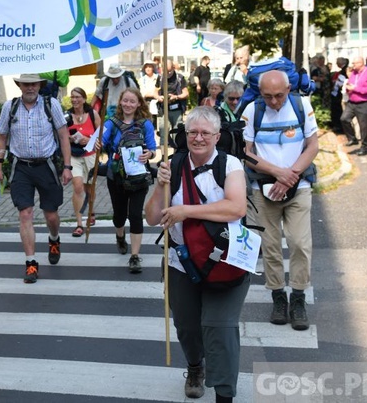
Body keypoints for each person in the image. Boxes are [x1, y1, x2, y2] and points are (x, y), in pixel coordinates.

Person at [144, 106, 249, 403]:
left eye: (205, 133)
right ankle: (194, 367)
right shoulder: (173, 166)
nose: (198, 138)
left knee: (220, 327)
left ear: (217, 136)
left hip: (225, 260)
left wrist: (185, 211)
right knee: (187, 327)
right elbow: (153, 217)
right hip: (182, 262)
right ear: (185, 135)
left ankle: (225, 394)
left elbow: (236, 207)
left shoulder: (230, 165)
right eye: (192, 132)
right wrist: (160, 184)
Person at [241, 70, 318, 331]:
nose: (274, 102)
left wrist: (291, 175)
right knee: (270, 246)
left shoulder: (300, 105)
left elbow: (313, 145)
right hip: (263, 189)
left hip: (299, 186)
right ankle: (278, 297)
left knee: (299, 243)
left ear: (288, 90)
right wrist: (277, 173)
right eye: (268, 97)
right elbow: (246, 152)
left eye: (279, 96)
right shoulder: (253, 110)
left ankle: (298, 297)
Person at [0, 74, 73, 283]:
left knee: (51, 215)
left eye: (33, 84)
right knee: (25, 213)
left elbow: (63, 135)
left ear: (39, 85)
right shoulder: (9, 107)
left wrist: (67, 166)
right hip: (21, 167)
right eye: (26, 84)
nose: (30, 88)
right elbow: (2, 138)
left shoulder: (51, 104)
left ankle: (54, 239)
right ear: (19, 86)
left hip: (46, 165)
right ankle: (31, 263)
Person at [100, 88, 156, 272]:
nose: (128, 104)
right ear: (120, 102)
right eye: (125, 101)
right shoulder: (111, 123)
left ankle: (134, 256)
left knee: (135, 214)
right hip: (116, 177)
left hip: (139, 177)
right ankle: (120, 236)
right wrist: (98, 143)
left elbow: (153, 148)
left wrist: (149, 154)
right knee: (119, 215)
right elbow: (101, 141)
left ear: (139, 103)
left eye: (132, 101)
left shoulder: (145, 124)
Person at [66, 87, 100, 237]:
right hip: (74, 155)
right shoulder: (66, 116)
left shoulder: (92, 114)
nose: (74, 100)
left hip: (90, 154)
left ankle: (91, 210)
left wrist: (89, 140)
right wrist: (70, 138)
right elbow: (61, 135)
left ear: (84, 99)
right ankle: (79, 223)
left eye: (78, 97)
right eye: (72, 97)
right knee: (78, 186)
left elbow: (102, 133)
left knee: (89, 188)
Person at [341, 55, 367, 156]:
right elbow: (350, 83)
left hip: (364, 103)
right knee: (344, 119)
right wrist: (348, 87)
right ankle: (352, 139)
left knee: (364, 127)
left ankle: (364, 146)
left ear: (360, 63)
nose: (352, 65)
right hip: (352, 102)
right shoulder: (354, 73)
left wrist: (355, 88)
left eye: (354, 63)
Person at [154, 59, 188, 140]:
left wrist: (176, 97)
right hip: (163, 109)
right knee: (163, 133)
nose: (168, 73)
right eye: (166, 71)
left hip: (176, 109)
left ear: (173, 68)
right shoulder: (160, 78)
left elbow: (186, 93)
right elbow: (155, 92)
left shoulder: (179, 78)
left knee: (176, 135)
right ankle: (163, 152)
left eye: (170, 71)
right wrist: (159, 97)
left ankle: (176, 151)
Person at [330, 57, 349, 133]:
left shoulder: (344, 71)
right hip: (337, 93)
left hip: (340, 94)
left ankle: (340, 127)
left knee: (339, 111)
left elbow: (343, 83)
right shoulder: (342, 71)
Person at [138, 61, 159, 126]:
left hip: (158, 104)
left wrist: (155, 94)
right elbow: (143, 93)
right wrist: (153, 94)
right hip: (146, 104)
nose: (148, 69)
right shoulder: (142, 80)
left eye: (150, 67)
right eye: (146, 67)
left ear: (153, 68)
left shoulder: (158, 78)